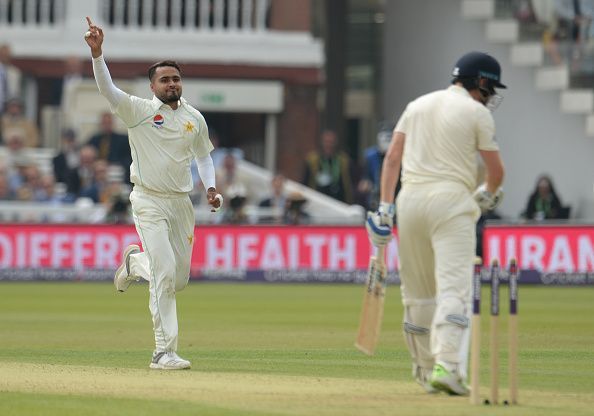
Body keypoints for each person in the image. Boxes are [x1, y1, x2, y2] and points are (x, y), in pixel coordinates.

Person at [85, 16, 223, 370]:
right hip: (148, 200)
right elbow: (107, 91)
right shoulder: (140, 112)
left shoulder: (194, 117)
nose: (172, 83)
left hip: (181, 204)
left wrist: (210, 188)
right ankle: (163, 352)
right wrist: (98, 54)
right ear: (153, 86)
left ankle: (134, 262)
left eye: (176, 78)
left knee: (177, 279)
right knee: (163, 273)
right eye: (165, 79)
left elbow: (204, 157)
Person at [366, 51, 506, 396]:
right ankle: (448, 365)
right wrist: (487, 194)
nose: (491, 97)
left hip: (409, 201)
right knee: (453, 288)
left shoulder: (417, 105)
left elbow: (393, 158)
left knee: (418, 293)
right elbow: (496, 172)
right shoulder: (476, 113)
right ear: (482, 83)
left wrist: (384, 207)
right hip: (452, 203)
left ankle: (425, 370)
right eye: (491, 88)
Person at [303, 129, 354, 203]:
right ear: (322, 143)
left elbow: (349, 183)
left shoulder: (343, 160)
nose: (329, 145)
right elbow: (305, 182)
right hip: (318, 202)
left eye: (331, 142)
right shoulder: (312, 160)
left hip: (339, 202)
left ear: (335, 144)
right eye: (326, 142)